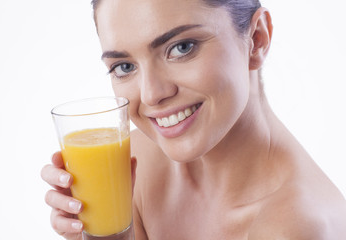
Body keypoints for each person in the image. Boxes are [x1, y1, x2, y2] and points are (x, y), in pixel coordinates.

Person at [41, 0, 346, 239]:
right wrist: (103, 236)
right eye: (123, 67)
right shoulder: (134, 166)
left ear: (257, 38)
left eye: (181, 48)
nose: (150, 95)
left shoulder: (295, 228)